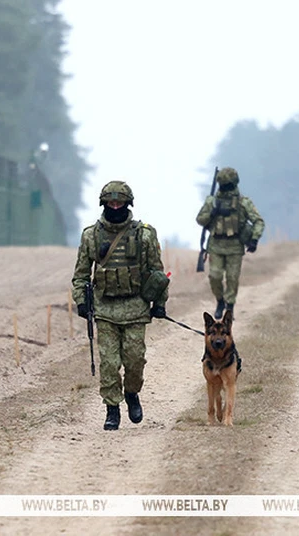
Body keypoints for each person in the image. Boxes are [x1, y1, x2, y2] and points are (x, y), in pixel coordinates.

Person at [72, 180, 169, 431]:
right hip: (105, 309)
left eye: (120, 202)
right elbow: (81, 275)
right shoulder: (91, 236)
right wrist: (82, 301)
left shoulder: (144, 234)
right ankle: (112, 409)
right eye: (111, 203)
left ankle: (132, 393)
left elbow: (157, 274)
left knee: (135, 360)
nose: (115, 207)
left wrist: (159, 303)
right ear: (104, 204)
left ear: (128, 203)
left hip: (136, 307)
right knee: (109, 363)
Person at [195, 167, 265, 320]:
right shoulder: (212, 202)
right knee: (214, 276)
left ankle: (230, 307)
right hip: (216, 245)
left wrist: (254, 239)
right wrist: (212, 213)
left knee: (232, 278)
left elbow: (258, 221)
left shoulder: (242, 202)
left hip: (235, 246)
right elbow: (200, 219)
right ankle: (220, 301)